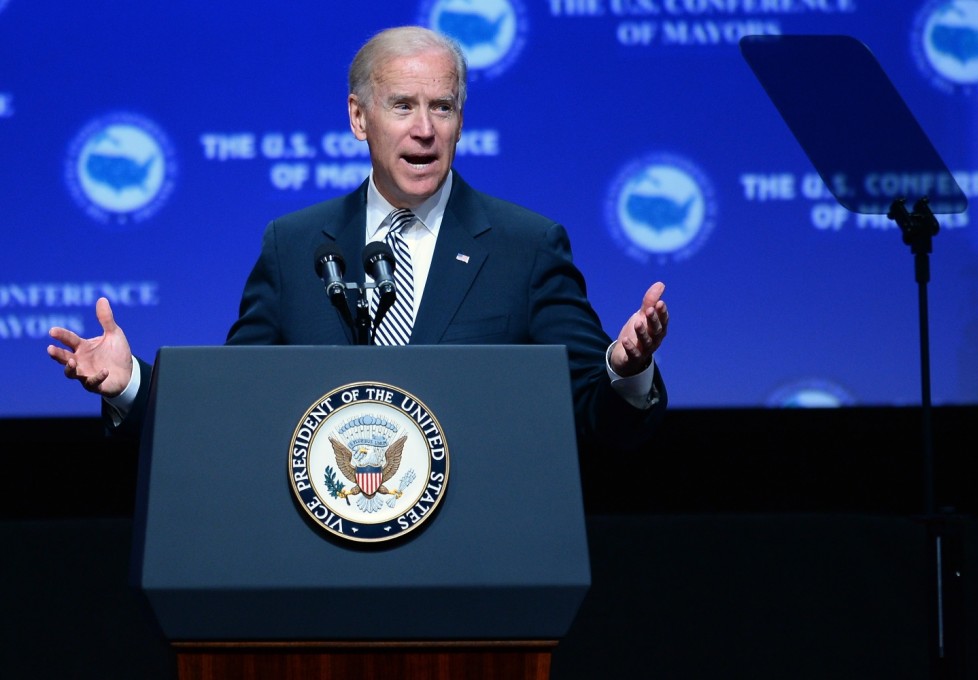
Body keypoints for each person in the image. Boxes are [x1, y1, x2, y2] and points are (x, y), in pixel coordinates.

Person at [47, 25, 669, 450]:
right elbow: (233, 408)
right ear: (357, 118)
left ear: (460, 120)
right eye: (402, 106)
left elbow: (596, 417)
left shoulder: (525, 245)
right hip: (316, 573)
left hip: (477, 571)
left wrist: (624, 369)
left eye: (443, 107)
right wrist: (132, 383)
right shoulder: (294, 247)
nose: (425, 129)